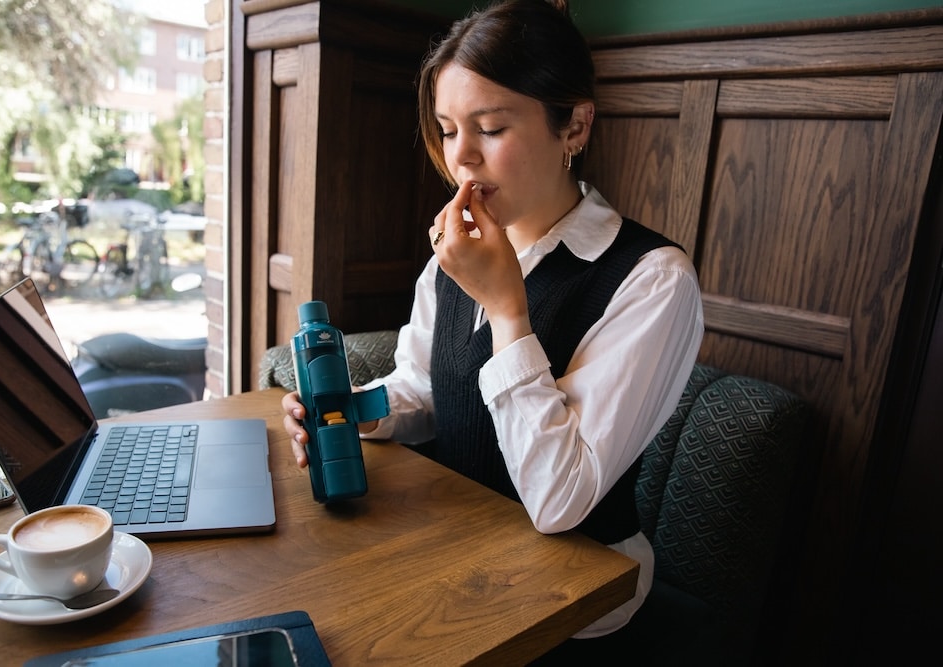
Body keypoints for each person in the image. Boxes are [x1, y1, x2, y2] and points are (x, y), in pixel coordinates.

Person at [282, 0, 704, 658]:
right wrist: (349, 410)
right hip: (459, 559)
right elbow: (423, 387)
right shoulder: (455, 254)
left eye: (490, 127)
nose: (462, 158)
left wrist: (508, 309)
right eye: (449, 130)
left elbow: (561, 499)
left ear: (575, 126)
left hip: (576, 607)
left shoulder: (654, 280)